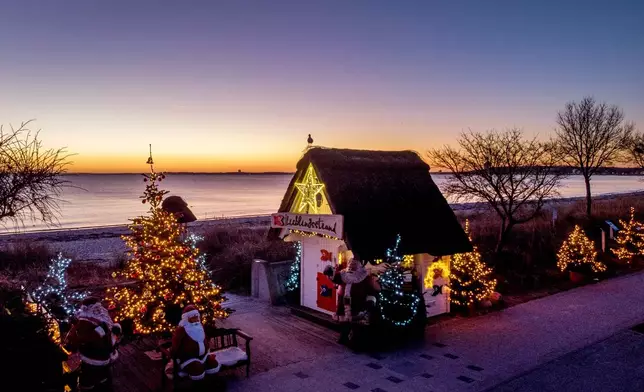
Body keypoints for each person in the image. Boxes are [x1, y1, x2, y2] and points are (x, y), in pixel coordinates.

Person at [65, 297, 122, 392]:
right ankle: (103, 382)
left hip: (92, 357)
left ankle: (86, 387)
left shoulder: (85, 321)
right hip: (105, 355)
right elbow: (112, 330)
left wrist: (71, 343)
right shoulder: (102, 317)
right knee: (102, 373)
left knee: (88, 378)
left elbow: (80, 338)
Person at [326, 258, 381, 347]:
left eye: (354, 264)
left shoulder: (364, 276)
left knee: (356, 323)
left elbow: (371, 290)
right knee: (343, 322)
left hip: (357, 303)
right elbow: (334, 278)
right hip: (343, 303)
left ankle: (355, 341)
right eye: (350, 263)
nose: (351, 265)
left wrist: (370, 301)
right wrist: (330, 272)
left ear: (359, 265)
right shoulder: (342, 274)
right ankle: (343, 337)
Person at [170, 305, 220, 380]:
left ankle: (212, 381)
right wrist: (174, 356)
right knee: (197, 369)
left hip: (203, 356)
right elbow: (175, 343)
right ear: (187, 318)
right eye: (193, 318)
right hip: (188, 358)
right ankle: (198, 385)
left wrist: (208, 349)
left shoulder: (200, 326)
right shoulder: (182, 330)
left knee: (213, 364)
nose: (196, 320)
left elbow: (205, 338)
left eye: (197, 317)